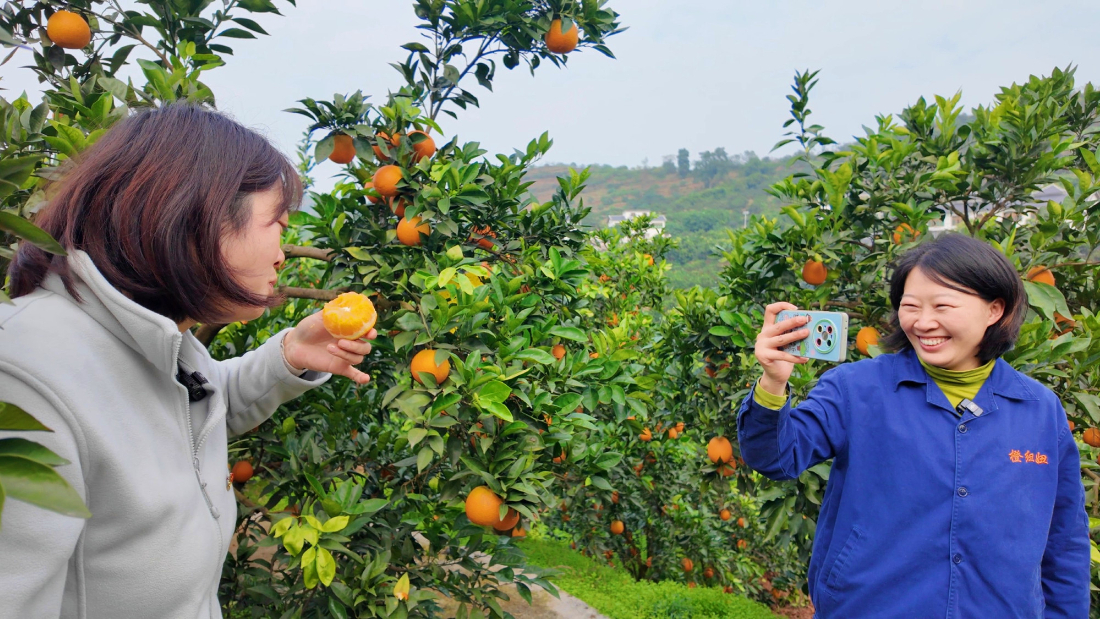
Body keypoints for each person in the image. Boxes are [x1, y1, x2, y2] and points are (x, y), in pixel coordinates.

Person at [0, 104, 377, 618]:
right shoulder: (27, 371)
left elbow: (195, 405)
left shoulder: (157, 340)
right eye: (278, 225)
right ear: (199, 213)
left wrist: (290, 355)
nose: (282, 254)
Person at [738, 233, 1088, 618]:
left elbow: (1064, 540)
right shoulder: (857, 390)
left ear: (994, 310)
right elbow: (775, 457)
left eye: (942, 305)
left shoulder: (1038, 409)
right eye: (910, 306)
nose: (923, 322)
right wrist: (772, 382)